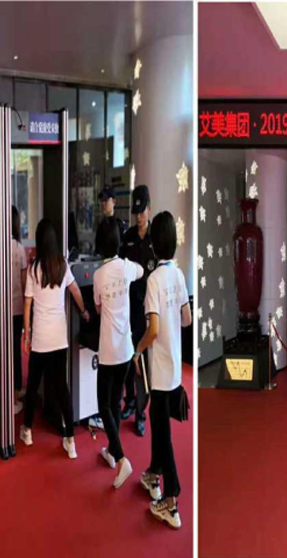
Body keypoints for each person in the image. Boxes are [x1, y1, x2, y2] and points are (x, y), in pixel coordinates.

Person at [133, 211, 191, 529]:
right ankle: (153, 474)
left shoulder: (154, 279)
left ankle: (171, 500)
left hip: (158, 371)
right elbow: (187, 319)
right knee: (160, 429)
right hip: (175, 369)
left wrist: (138, 349)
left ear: (155, 243)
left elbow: (152, 329)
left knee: (163, 435)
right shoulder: (178, 275)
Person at [20, 219, 89, 457]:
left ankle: (27, 431)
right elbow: (75, 290)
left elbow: (27, 303)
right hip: (59, 339)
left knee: (32, 386)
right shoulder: (62, 265)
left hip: (41, 339)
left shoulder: (34, 269)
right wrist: (84, 311)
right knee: (62, 389)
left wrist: (27, 334)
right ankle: (70, 440)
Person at [94, 216, 144, 487]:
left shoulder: (99, 275)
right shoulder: (126, 267)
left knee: (104, 405)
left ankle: (122, 459)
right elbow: (141, 271)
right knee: (114, 402)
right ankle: (113, 453)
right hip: (126, 349)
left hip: (108, 350)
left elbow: (98, 308)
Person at [119, 185, 157, 436]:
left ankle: (141, 413)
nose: (139, 216)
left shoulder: (156, 238)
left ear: (149, 209)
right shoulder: (128, 237)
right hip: (129, 306)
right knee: (127, 356)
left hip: (148, 310)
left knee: (142, 361)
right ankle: (130, 400)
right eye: (136, 213)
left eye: (142, 212)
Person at [11, 206, 28, 415]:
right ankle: (14, 395)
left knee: (6, 349)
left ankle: (8, 389)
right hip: (16, 307)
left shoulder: (1, 247)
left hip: (3, 308)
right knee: (15, 349)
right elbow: (24, 283)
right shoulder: (19, 249)